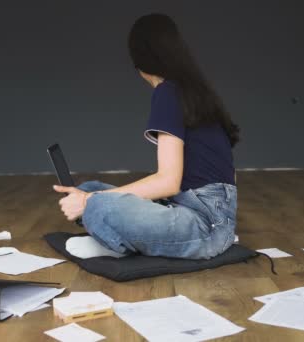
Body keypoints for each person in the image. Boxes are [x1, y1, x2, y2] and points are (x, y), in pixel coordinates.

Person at [53, 13, 240, 260]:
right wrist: (90, 195)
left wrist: (89, 201)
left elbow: (167, 182)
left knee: (96, 202)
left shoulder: (167, 93)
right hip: (200, 213)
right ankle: (120, 233)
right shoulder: (196, 92)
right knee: (89, 189)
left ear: (139, 59)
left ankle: (115, 247)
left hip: (204, 228)